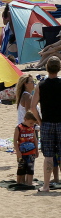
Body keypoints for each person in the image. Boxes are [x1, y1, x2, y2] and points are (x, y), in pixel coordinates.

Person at [31, 56, 61, 193]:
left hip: (47, 123)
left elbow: (32, 106)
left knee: (48, 155)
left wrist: (39, 121)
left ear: (47, 68)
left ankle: (46, 186)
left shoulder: (41, 85)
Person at [15, 111, 40, 188]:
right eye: (31, 123)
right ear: (25, 119)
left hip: (31, 152)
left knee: (30, 167)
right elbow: (15, 141)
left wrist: (37, 149)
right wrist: (17, 151)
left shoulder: (32, 128)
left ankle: (29, 182)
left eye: (33, 123)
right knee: (21, 168)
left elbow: (35, 139)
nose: (32, 125)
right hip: (22, 153)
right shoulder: (18, 128)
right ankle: (19, 182)